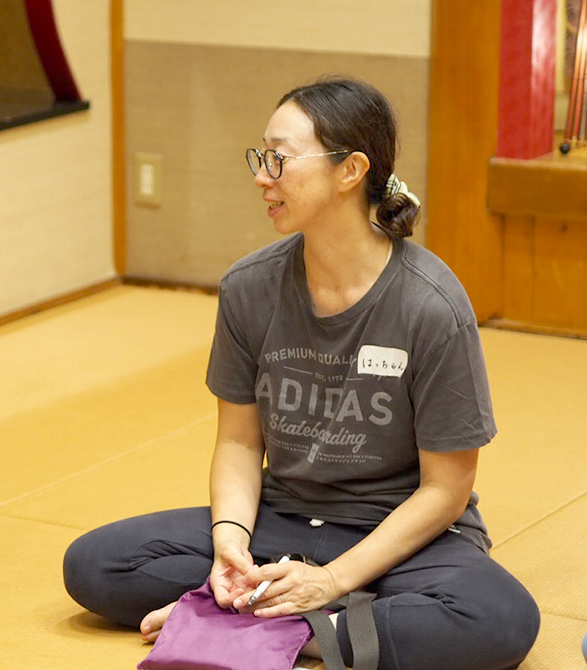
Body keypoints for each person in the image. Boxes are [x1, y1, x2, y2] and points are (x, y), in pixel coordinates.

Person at [63, 78, 539, 670]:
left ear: (351, 171)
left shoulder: (431, 305)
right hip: (282, 520)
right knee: (96, 564)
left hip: (397, 534)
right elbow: (239, 439)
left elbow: (447, 489)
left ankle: (280, 628)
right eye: (261, 156)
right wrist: (230, 542)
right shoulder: (250, 286)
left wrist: (332, 580)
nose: (263, 176)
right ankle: (302, 610)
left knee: (499, 617)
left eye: (280, 159)